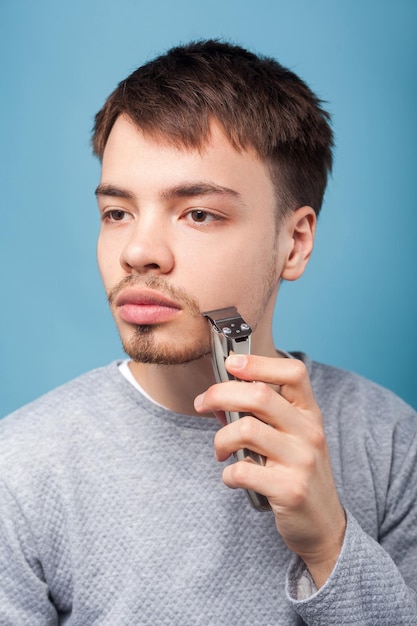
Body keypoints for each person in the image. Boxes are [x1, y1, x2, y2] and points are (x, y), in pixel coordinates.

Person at [0, 40, 416, 625]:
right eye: (117, 213)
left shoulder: (392, 443)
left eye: (198, 213)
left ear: (293, 242)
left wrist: (330, 545)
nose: (139, 253)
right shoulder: (17, 471)